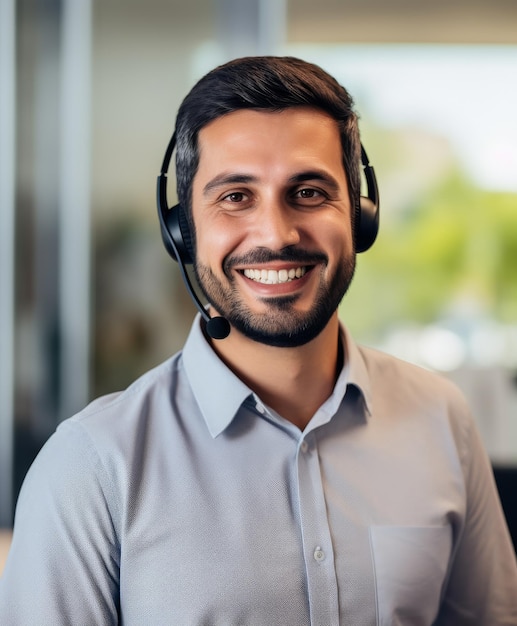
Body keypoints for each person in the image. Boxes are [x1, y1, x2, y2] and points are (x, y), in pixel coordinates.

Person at [1, 56, 516, 625]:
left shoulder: (443, 421)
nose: (276, 233)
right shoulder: (91, 468)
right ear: (182, 231)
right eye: (235, 196)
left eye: (310, 191)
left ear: (361, 215)